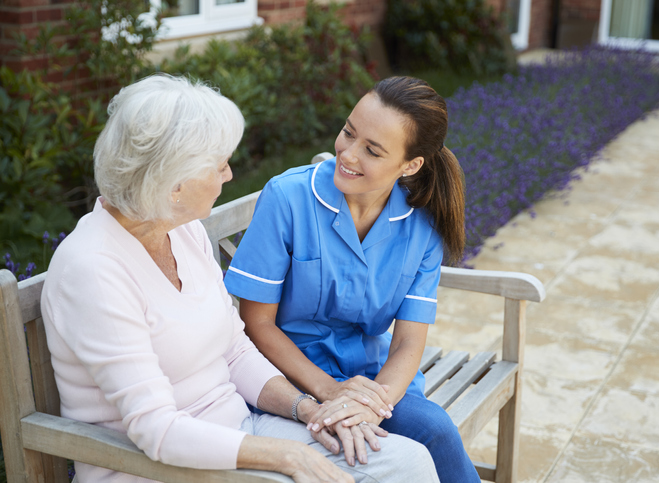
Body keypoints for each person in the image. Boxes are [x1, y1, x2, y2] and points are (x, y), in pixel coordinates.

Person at [40, 74, 439, 483]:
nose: (229, 175)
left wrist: (311, 410)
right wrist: (286, 456)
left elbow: (235, 351)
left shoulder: (182, 231)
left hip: (238, 433)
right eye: (218, 165)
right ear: (173, 182)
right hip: (154, 467)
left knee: (409, 464)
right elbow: (156, 430)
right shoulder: (92, 270)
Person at [223, 76, 479, 483]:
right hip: (286, 381)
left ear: (410, 165)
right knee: (385, 455)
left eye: (372, 150)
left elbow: (410, 341)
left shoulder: (423, 228)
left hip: (372, 383)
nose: (349, 154)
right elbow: (257, 324)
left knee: (435, 431)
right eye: (348, 132)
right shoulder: (287, 199)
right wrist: (329, 393)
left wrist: (369, 405)